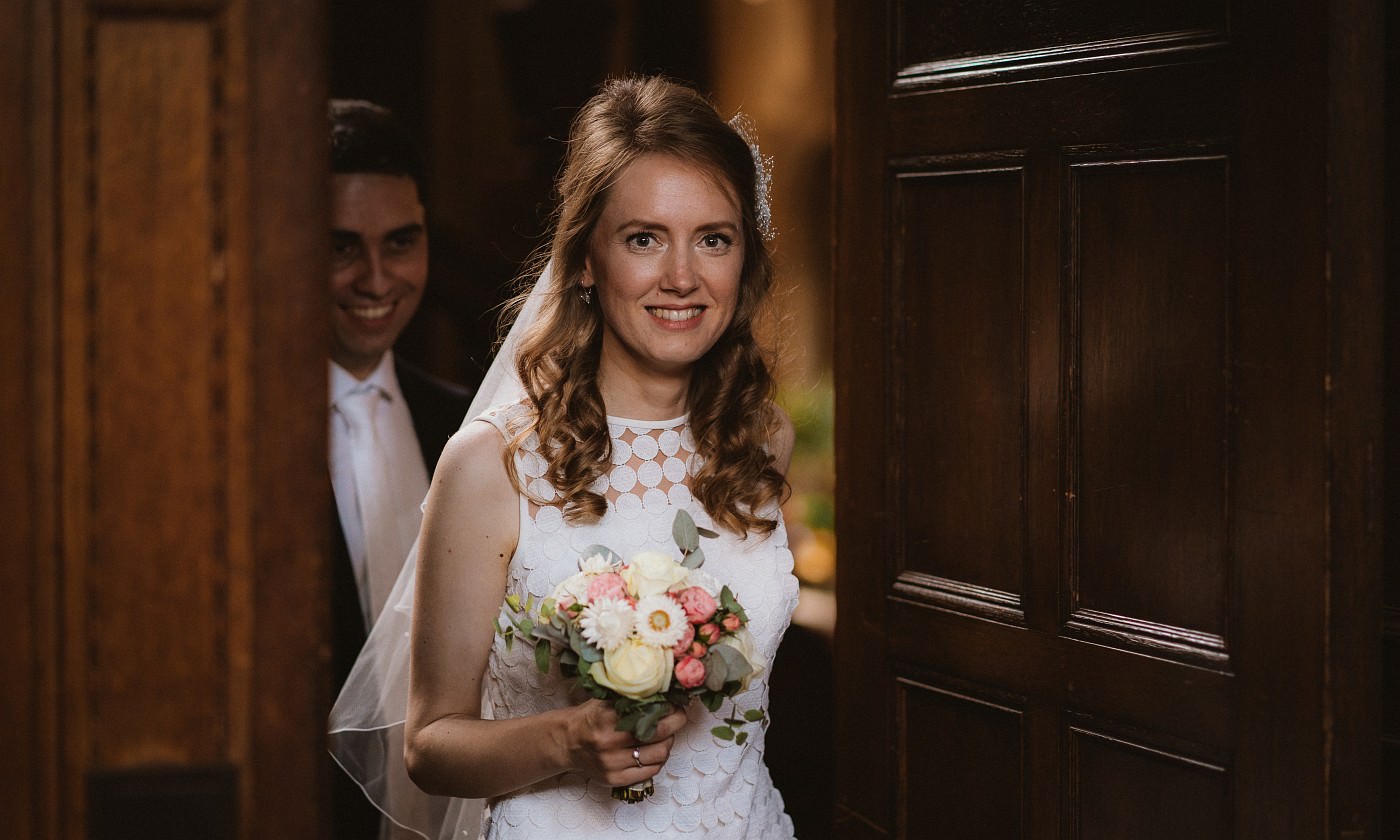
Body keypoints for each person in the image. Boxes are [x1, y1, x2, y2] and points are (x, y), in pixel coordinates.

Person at [331, 75, 798, 839]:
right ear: (585, 259)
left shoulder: (762, 441)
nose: (682, 277)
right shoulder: (493, 465)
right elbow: (428, 745)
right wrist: (567, 742)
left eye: (714, 238)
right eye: (644, 238)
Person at [326, 99, 476, 840]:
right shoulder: (239, 442)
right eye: (341, 247)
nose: (376, 278)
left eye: (401, 242)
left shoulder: (466, 425)